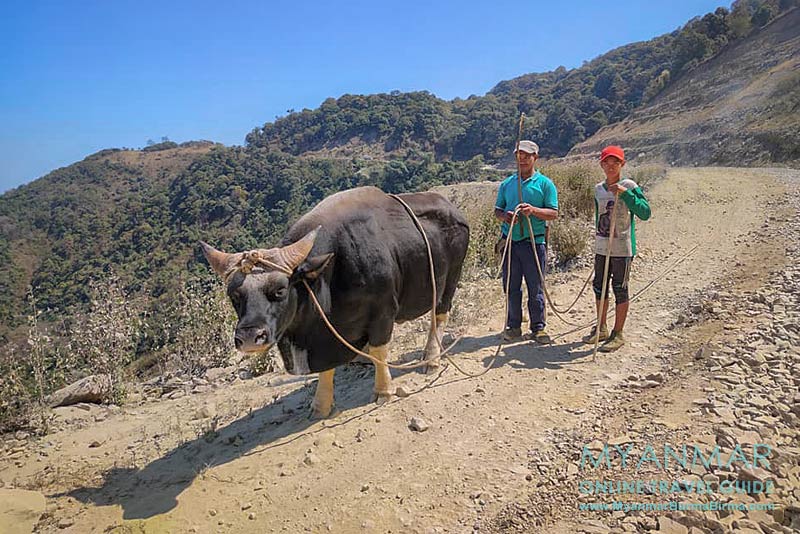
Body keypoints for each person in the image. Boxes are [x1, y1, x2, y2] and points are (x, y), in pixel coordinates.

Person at [585, 146, 651, 352]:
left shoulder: (629, 185)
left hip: (623, 248)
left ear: (622, 164)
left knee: (620, 289)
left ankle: (618, 333)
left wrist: (626, 195)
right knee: (600, 287)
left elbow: (645, 212)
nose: (611, 166)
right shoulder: (598, 189)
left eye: (615, 162)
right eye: (607, 162)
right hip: (602, 247)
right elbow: (598, 217)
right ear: (601, 165)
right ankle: (602, 327)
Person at [495, 140, 558, 344]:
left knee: (535, 286)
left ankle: (538, 328)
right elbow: (497, 210)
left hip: (534, 242)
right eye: (519, 155)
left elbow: (553, 213)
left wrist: (533, 211)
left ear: (535, 158)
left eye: (526, 155)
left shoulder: (545, 184)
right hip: (511, 242)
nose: (522, 159)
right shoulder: (507, 184)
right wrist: (506, 216)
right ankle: (513, 326)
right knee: (511, 286)